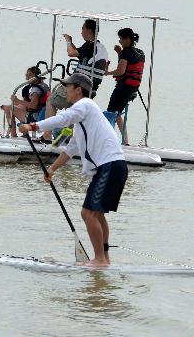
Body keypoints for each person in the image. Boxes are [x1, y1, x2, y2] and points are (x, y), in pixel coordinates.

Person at [19, 74, 128, 268]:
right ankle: (104, 259)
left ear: (79, 89)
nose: (65, 90)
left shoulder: (85, 104)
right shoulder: (84, 119)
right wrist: (52, 169)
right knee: (97, 214)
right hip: (112, 166)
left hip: (110, 166)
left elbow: (62, 119)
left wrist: (34, 125)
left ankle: (100, 260)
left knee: (88, 214)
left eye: (68, 87)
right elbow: (71, 149)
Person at [40, 19, 109, 142]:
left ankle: (47, 135)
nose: (81, 31)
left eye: (83, 28)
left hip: (78, 86)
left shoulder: (90, 45)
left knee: (51, 102)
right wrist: (71, 42)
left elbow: (71, 53)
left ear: (88, 30)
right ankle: (66, 138)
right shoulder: (100, 47)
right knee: (71, 110)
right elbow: (79, 53)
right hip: (90, 89)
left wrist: (67, 41)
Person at [104, 28, 145, 144]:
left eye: (121, 39)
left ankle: (107, 140)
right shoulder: (141, 53)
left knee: (111, 112)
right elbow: (129, 64)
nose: (120, 41)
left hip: (123, 87)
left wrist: (107, 73)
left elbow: (121, 71)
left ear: (127, 39)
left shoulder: (126, 52)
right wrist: (119, 53)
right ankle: (125, 141)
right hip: (133, 88)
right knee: (117, 113)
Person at [2, 66, 49, 137]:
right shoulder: (44, 85)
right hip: (43, 114)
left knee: (8, 108)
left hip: (34, 118)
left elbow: (33, 105)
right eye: (26, 75)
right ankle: (25, 134)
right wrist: (18, 103)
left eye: (29, 75)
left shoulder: (36, 90)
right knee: (19, 106)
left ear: (36, 76)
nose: (27, 77)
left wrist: (17, 100)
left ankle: (13, 135)